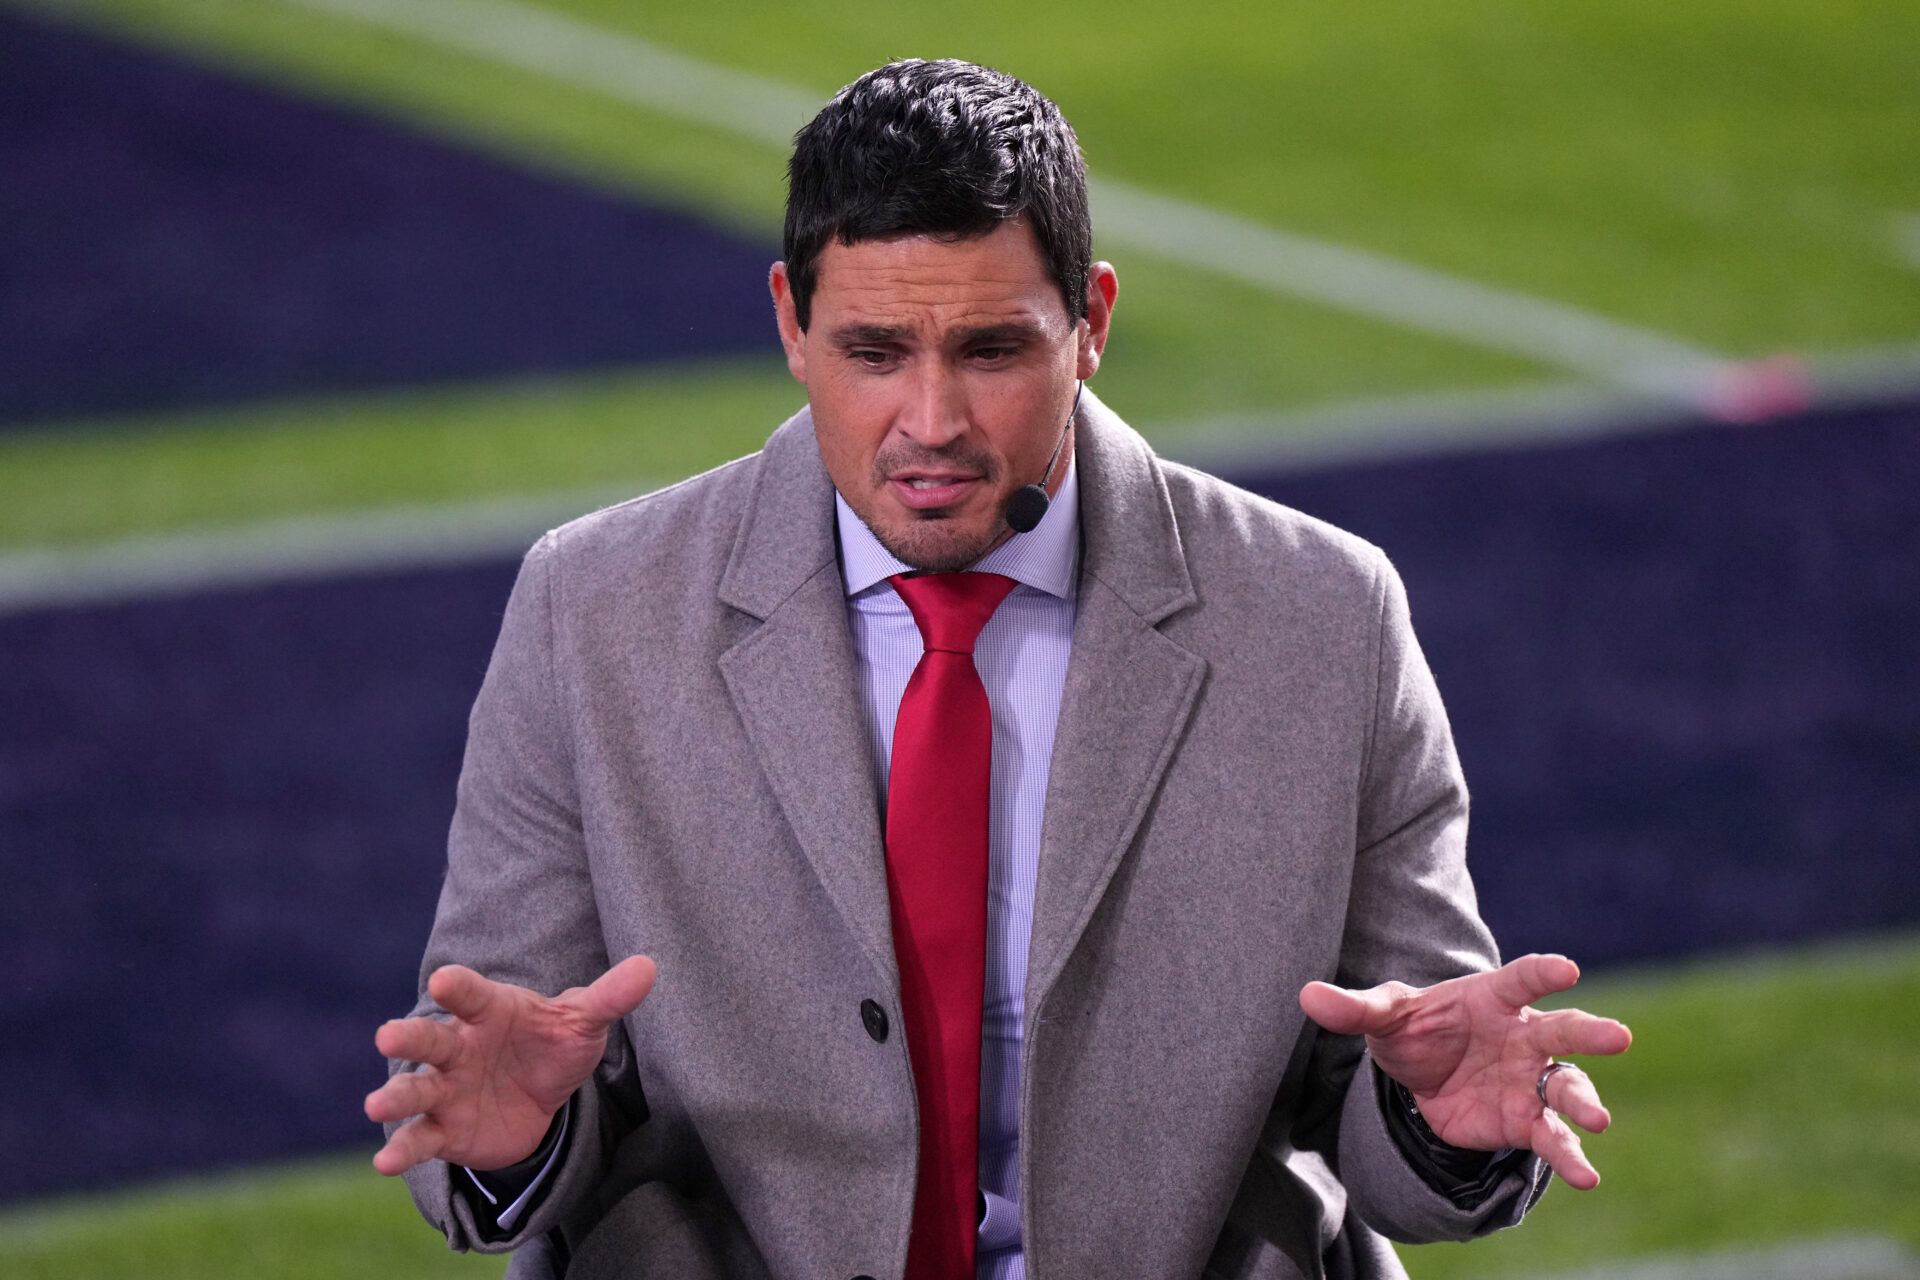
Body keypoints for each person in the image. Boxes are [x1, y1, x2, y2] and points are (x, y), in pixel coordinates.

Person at [365, 58, 1630, 1280]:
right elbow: (487, 1077)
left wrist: (1437, 1121)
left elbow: (1401, 1094)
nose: (931, 424)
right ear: (790, 326)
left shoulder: (1324, 617)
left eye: (989, 350)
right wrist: (516, 1133)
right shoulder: (591, 608)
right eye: (872, 353)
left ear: (1091, 325)